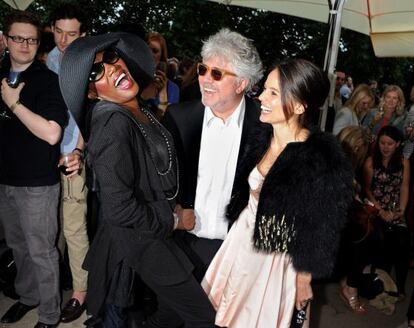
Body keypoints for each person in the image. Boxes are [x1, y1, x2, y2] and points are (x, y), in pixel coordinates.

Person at [58, 32, 216, 328]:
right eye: (97, 71)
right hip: (139, 240)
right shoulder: (111, 121)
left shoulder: (137, 108)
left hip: (151, 233)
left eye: (112, 58)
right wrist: (174, 220)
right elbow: (119, 208)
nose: (113, 68)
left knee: (168, 315)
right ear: (91, 91)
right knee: (204, 317)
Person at [201, 58, 354, 327]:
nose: (261, 97)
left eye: (273, 93)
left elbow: (322, 226)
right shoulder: (262, 135)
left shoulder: (319, 159)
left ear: (298, 105)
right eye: (265, 90)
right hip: (240, 244)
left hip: (274, 260)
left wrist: (304, 278)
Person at [162, 28, 263, 281]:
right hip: (183, 244)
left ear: (242, 83)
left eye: (217, 74)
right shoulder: (179, 118)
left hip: (239, 251)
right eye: (202, 69)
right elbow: (161, 177)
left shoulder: (264, 126)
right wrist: (173, 211)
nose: (205, 79)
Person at [0, 10, 68, 328]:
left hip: (37, 183)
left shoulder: (48, 81)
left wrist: (14, 104)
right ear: (5, 39)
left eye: (31, 39)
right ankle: (28, 297)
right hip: (5, 179)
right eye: (18, 38)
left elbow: (53, 133)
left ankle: (50, 315)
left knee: (42, 251)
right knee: (18, 247)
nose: (24, 45)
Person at [46, 3, 89, 323]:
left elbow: (89, 115)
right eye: (58, 32)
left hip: (73, 155)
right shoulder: (50, 59)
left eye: (71, 34)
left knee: (74, 226)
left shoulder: (90, 63)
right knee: (52, 226)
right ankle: (56, 281)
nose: (63, 39)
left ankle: (80, 292)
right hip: (46, 152)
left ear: (83, 35)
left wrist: (78, 152)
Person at [363, 125, 410, 298]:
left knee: (403, 241)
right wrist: (380, 210)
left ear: (397, 144)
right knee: (381, 238)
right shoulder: (370, 162)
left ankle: (401, 286)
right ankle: (380, 281)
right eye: (382, 143)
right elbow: (367, 190)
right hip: (376, 208)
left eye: (389, 144)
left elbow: (404, 188)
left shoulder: (404, 162)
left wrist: (401, 210)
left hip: (396, 209)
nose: (385, 147)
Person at [336, 126, 371, 314]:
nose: (358, 151)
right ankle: (350, 286)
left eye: (361, 149)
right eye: (356, 147)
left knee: (366, 233)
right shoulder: (333, 158)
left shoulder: (353, 164)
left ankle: (350, 284)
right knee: (361, 237)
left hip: (340, 214)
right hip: (324, 216)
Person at [142, 31, 180, 118]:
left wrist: (163, 93)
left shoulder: (172, 88)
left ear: (161, 58)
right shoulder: (131, 79)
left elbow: (165, 124)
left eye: (155, 51)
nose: (150, 54)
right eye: (147, 49)